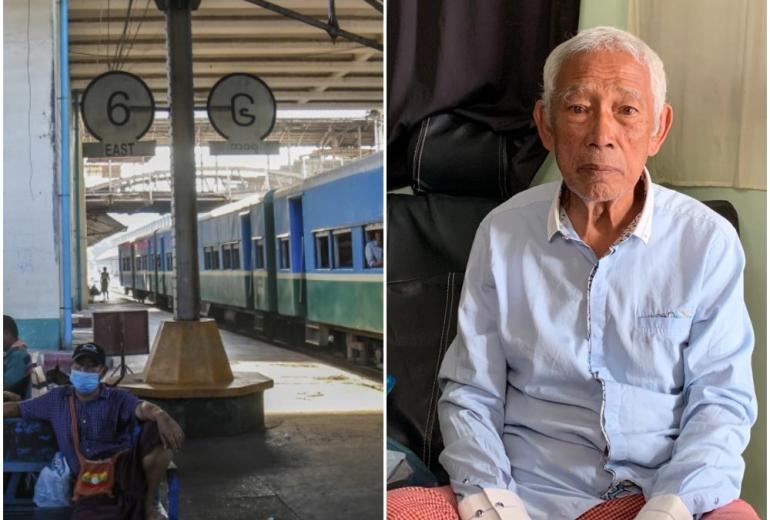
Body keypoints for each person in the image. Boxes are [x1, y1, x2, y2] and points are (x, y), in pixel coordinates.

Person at [387, 27, 758, 520]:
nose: (601, 135)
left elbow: (721, 402)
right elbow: (471, 393)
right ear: (545, 125)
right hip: (522, 491)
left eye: (627, 111)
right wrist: (492, 504)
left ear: (658, 129)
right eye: (579, 108)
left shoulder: (706, 241)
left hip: (655, 494)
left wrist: (671, 507)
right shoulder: (502, 233)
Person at [4, 343, 185, 520]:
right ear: (71, 368)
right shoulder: (56, 399)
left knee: (154, 430)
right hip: (88, 483)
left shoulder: (116, 397)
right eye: (80, 365)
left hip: (122, 474)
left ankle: (147, 506)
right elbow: (18, 408)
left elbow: (141, 407)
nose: (84, 370)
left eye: (92, 366)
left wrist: (162, 415)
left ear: (102, 371)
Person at [4, 314, 31, 398]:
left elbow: (7, 387)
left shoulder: (17, 356)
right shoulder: (12, 353)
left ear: (6, 333)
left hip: (14, 405)